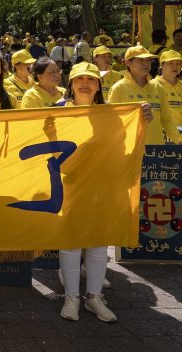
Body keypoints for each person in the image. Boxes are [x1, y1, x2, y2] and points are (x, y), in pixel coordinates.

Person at [58, 62, 151, 323]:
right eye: (79, 79)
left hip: (101, 187)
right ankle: (71, 298)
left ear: (99, 85)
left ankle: (94, 298)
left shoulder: (111, 116)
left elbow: (123, 150)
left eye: (91, 79)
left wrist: (141, 121)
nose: (85, 83)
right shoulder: (57, 112)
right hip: (69, 186)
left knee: (99, 243)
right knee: (71, 244)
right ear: (71, 84)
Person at [108, 45, 181, 145]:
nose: (146, 64)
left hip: (156, 151)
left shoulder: (158, 88)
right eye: (141, 60)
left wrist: (179, 140)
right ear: (127, 62)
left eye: (148, 60)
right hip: (130, 150)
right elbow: (112, 123)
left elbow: (167, 120)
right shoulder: (118, 88)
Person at [151, 50, 182, 142]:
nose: (175, 66)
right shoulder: (152, 85)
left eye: (178, 63)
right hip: (160, 135)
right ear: (162, 65)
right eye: (171, 63)